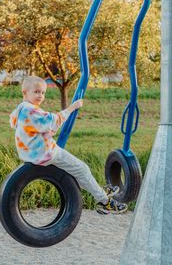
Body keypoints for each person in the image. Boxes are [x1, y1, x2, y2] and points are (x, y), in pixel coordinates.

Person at [10, 75, 127, 214]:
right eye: (36, 92)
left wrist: (47, 131)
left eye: (43, 92)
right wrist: (72, 107)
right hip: (46, 153)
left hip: (31, 154)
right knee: (82, 169)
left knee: (77, 172)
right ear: (25, 92)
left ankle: (100, 192)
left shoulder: (21, 110)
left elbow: (37, 128)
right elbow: (54, 120)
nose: (40, 96)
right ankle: (105, 202)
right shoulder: (31, 110)